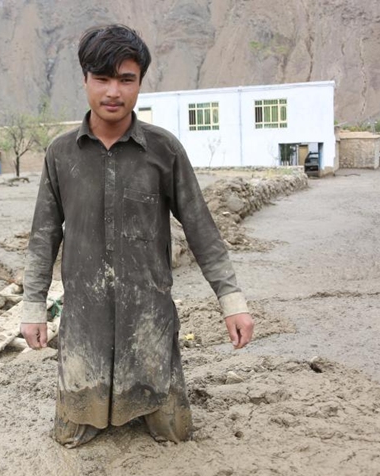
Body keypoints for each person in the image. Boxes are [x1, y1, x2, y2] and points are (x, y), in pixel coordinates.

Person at [20, 24, 254, 448]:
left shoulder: (163, 150)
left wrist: (232, 302)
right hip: (84, 316)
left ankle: (150, 407)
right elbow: (44, 235)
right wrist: (33, 305)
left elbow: (201, 228)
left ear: (140, 83)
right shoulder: (60, 153)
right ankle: (89, 409)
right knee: (69, 434)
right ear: (85, 80)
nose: (114, 91)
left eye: (126, 79)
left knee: (175, 432)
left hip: (149, 315)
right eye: (102, 78)